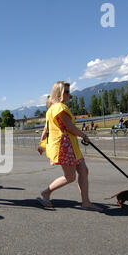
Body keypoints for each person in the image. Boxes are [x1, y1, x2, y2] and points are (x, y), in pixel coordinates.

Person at [37, 81, 101, 211]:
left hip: (70, 146)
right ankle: (46, 193)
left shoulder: (51, 109)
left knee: (84, 171)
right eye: (66, 92)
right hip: (65, 146)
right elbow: (70, 127)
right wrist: (84, 136)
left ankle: (86, 202)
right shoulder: (59, 108)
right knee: (70, 177)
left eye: (68, 91)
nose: (68, 94)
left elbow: (46, 129)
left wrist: (41, 143)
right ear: (58, 93)